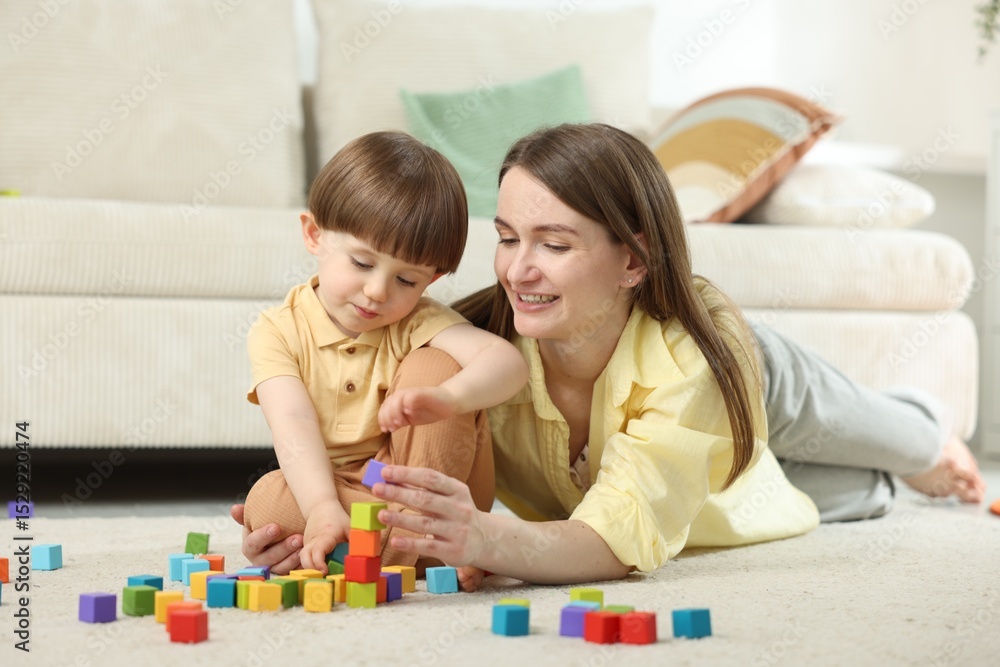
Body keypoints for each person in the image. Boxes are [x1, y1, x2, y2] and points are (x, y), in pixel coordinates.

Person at [233, 123, 985, 583]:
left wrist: (490, 537)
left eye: (554, 245)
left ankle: (924, 428)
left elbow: (615, 541)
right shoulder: (472, 341)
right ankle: (888, 481)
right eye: (506, 239)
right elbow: (357, 441)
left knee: (899, 439)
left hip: (748, 380)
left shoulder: (692, 355)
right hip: (715, 479)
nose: (517, 270)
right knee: (829, 498)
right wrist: (311, 519)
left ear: (632, 260)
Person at [240, 131, 528, 574]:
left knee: (435, 364)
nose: (377, 292)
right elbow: (292, 422)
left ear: (430, 282)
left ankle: (395, 546)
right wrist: (319, 508)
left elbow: (508, 363)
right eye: (361, 263)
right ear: (315, 235)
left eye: (406, 281)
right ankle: (432, 551)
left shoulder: (415, 321)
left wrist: (450, 398)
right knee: (265, 501)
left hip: (421, 478)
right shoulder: (277, 331)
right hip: (345, 488)